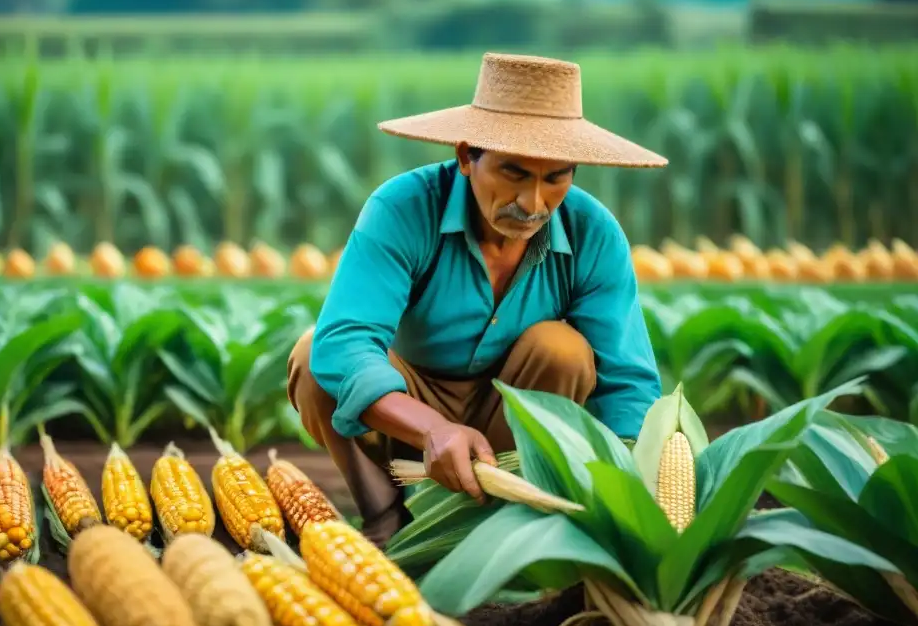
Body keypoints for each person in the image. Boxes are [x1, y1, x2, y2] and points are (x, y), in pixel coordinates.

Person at [286, 52, 668, 547]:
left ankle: (511, 513)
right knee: (314, 356)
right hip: (405, 404)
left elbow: (627, 381)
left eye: (555, 177)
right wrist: (432, 429)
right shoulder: (401, 209)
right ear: (467, 156)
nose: (533, 204)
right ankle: (383, 515)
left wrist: (640, 489)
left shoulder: (593, 232)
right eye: (513, 172)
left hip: (515, 412)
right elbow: (347, 341)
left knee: (563, 349)